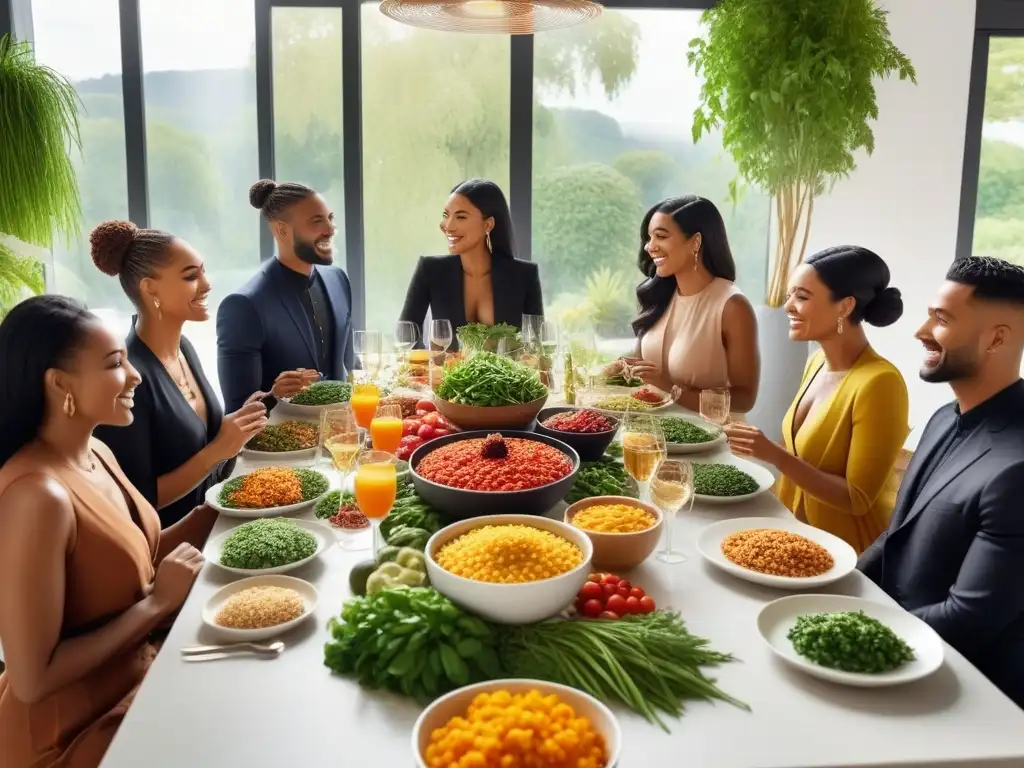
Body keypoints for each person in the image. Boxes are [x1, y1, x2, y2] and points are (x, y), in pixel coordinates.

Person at [0, 295, 206, 768]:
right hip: (70, 735)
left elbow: (123, 566)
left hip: (135, 683)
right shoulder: (37, 498)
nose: (135, 375)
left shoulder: (95, 451)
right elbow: (32, 679)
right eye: (116, 364)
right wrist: (157, 605)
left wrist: (210, 516)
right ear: (59, 384)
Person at [859, 256, 1024, 708]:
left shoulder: (1018, 469)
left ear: (997, 338)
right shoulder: (942, 416)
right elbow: (897, 534)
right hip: (894, 651)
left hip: (964, 695)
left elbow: (970, 618)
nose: (921, 331)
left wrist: (852, 633)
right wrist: (835, 588)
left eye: (942, 319)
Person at [724, 246, 909, 553]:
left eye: (802, 297)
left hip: (844, 553)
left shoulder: (881, 382)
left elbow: (857, 499)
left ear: (845, 306)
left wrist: (772, 454)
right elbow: (801, 455)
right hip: (792, 538)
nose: (788, 307)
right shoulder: (817, 361)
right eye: (789, 295)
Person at [88, 220, 269, 531]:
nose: (207, 284)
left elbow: (192, 442)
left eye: (203, 271)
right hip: (174, 551)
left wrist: (235, 427)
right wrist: (218, 450)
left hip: (218, 523)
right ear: (150, 288)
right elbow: (137, 498)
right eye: (191, 276)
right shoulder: (129, 378)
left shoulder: (184, 348)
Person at [217, 179, 354, 412]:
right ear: (282, 230)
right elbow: (237, 410)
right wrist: (274, 394)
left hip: (342, 436)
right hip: (283, 444)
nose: (331, 229)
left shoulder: (338, 280)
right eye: (317, 221)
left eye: (330, 218)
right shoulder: (243, 305)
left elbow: (350, 367)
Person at [628, 195, 760, 414]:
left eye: (660, 236)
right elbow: (647, 371)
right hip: (653, 436)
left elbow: (744, 400)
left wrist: (671, 389)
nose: (650, 247)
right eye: (649, 238)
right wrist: (621, 368)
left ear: (695, 242)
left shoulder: (732, 307)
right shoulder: (661, 296)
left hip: (712, 440)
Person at [399, 179, 543, 350]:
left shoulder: (525, 276)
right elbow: (406, 338)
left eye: (460, 217)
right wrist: (430, 367)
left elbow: (536, 348)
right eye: (446, 215)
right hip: (446, 376)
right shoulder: (430, 270)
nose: (448, 226)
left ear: (488, 224)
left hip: (506, 377)